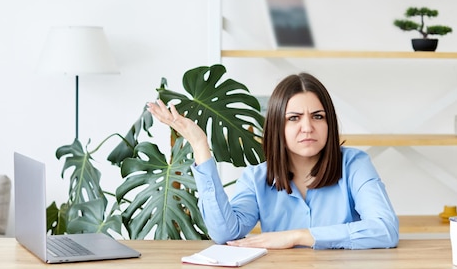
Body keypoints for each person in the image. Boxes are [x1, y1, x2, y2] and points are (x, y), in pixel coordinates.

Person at [147, 72, 399, 250]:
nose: (308, 127)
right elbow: (225, 233)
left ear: (329, 123)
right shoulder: (257, 178)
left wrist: (298, 236)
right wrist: (200, 146)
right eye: (294, 118)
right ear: (278, 126)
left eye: (318, 116)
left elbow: (385, 229)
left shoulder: (354, 164)